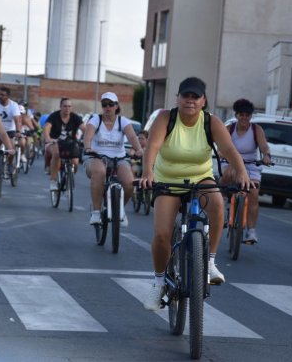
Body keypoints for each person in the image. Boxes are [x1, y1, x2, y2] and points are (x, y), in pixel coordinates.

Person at [140, 77, 254, 311]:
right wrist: (147, 173)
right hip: (168, 181)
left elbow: (229, 149)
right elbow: (152, 146)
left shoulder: (211, 122)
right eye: (186, 96)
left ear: (203, 101)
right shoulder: (166, 117)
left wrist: (242, 173)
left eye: (195, 97)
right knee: (161, 235)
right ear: (178, 98)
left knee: (217, 202)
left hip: (200, 178)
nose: (190, 101)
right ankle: (159, 283)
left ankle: (210, 262)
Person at [83, 92, 143, 227]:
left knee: (129, 183)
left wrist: (138, 149)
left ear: (117, 106)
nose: (107, 107)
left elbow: (133, 137)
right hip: (96, 156)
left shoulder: (123, 122)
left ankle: (120, 210)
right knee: (99, 172)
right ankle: (96, 212)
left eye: (111, 104)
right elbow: (88, 136)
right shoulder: (95, 120)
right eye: (104, 104)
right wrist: (88, 148)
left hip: (119, 158)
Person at [219, 98, 271, 243]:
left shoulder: (256, 130)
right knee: (228, 175)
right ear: (236, 115)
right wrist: (224, 155)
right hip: (232, 162)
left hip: (251, 165)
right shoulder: (229, 129)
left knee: (254, 193)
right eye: (241, 114)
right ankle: (223, 205)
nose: (244, 117)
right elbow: (222, 147)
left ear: (250, 116)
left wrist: (266, 155)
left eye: (247, 115)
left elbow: (264, 147)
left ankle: (251, 231)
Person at [43, 98, 86, 190]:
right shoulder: (54, 116)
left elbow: (84, 129)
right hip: (54, 142)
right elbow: (47, 127)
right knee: (56, 154)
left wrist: (90, 138)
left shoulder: (75, 117)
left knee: (75, 162)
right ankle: (53, 181)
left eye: (69, 106)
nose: (67, 108)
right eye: (65, 106)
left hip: (70, 144)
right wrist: (48, 138)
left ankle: (69, 176)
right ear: (60, 107)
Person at [0, 87, 25, 172]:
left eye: (2, 95)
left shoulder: (14, 105)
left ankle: (9, 163)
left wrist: (18, 131)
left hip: (9, 130)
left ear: (8, 96)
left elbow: (17, 120)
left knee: (11, 149)